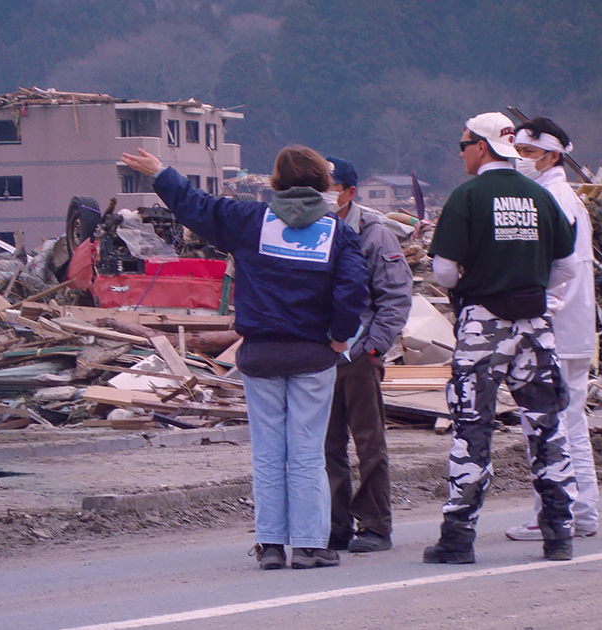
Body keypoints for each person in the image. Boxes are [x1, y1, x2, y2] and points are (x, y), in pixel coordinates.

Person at [121, 145, 369, 570]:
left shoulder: (250, 222)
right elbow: (353, 290)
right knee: (307, 452)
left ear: (275, 182)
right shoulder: (338, 233)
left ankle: (270, 545)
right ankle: (310, 546)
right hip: (313, 356)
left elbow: (196, 207)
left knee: (268, 454)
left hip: (259, 355)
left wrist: (160, 172)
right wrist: (339, 337)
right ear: (322, 184)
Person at [424, 112, 579, 564]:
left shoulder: (467, 196)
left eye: (464, 143)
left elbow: (443, 271)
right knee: (547, 427)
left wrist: (482, 281)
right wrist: (529, 285)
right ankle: (559, 534)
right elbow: (567, 267)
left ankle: (458, 538)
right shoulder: (540, 195)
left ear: (483, 147)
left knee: (473, 427)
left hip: (482, 324)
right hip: (535, 324)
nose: (461, 152)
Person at [505, 117, 600, 540]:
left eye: (528, 153)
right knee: (571, 422)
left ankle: (555, 513)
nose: (521, 160)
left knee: (548, 425)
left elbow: (551, 269)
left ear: (553, 155)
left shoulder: (550, 199)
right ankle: (581, 512)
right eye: (518, 152)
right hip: (574, 325)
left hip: (556, 326)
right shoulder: (566, 196)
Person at [322, 157, 412, 553]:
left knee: (368, 442)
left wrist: (374, 347)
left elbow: (394, 298)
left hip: (359, 354)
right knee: (326, 446)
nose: (321, 196)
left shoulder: (373, 235)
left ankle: (375, 523)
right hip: (320, 356)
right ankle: (333, 524)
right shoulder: (311, 232)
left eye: (327, 187)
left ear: (348, 192)